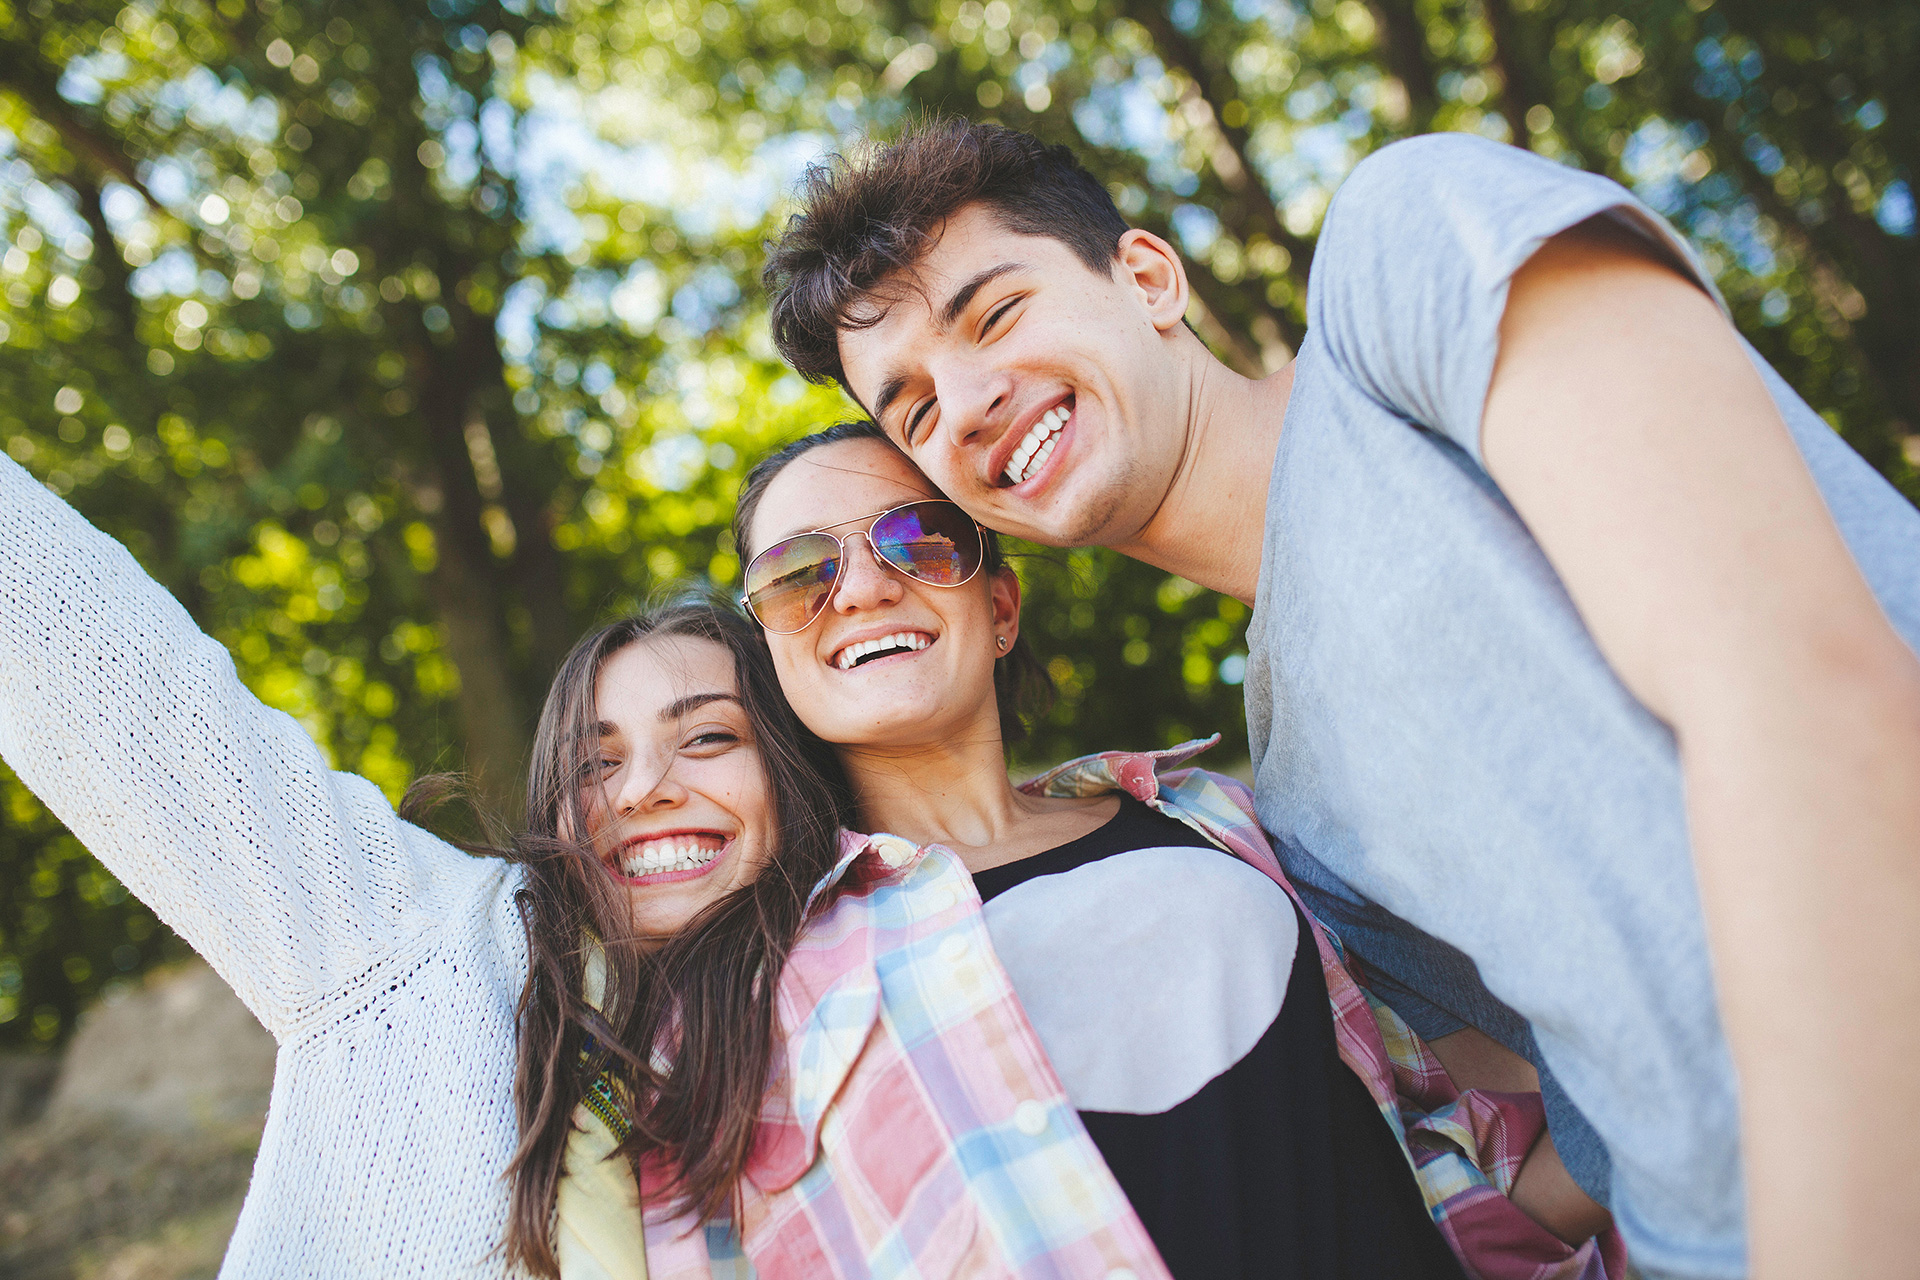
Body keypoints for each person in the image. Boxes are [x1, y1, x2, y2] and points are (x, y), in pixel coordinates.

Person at [760, 119, 1920, 1280]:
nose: (961, 405)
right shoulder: (1291, 819)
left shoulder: (1400, 254)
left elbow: (1805, 696)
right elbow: (1575, 1095)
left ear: (1149, 278)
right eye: (910, 409)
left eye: (995, 314)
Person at [681, 418, 1622, 1280]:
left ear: (1000, 607)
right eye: (799, 572)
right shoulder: (766, 973)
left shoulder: (1212, 816)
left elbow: (1458, 1119)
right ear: (766, 653)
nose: (867, 585)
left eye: (918, 539)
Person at [0, 444, 855, 1277]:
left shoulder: (881, 983)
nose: (641, 791)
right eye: (593, 764)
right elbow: (115, 676)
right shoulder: (417, 940)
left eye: (707, 737)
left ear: (791, 771)